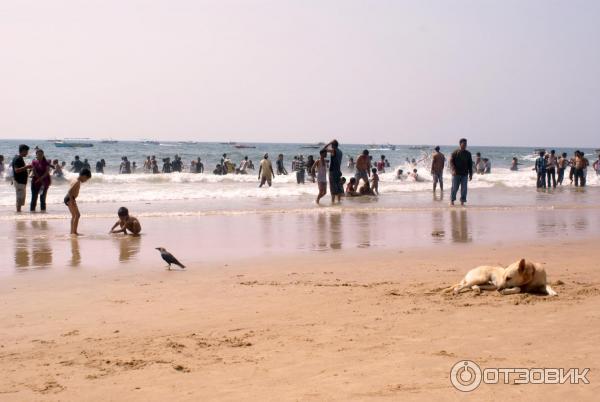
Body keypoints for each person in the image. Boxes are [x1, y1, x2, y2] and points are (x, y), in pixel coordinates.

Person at [64, 168, 91, 235]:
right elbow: (70, 191)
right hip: (70, 198)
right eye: (86, 179)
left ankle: (72, 231)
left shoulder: (74, 179)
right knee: (77, 215)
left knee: (74, 216)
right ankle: (74, 232)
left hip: (68, 198)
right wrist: (72, 201)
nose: (85, 181)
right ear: (84, 176)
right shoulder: (77, 181)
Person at [449, 138, 473, 206]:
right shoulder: (455, 152)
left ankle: (462, 202)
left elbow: (470, 164)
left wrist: (471, 174)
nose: (465, 145)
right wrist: (453, 170)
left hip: (465, 174)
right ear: (460, 144)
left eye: (466, 144)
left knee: (464, 189)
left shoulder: (468, 154)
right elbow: (451, 161)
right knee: (454, 188)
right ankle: (452, 201)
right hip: (456, 173)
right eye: (464, 144)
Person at [322, 140, 343, 204]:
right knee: (338, 186)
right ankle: (339, 201)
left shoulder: (333, 150)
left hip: (333, 171)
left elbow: (324, 149)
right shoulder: (340, 152)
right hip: (338, 171)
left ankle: (333, 202)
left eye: (331, 145)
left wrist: (329, 142)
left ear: (333, 145)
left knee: (332, 187)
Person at [11, 144, 32, 212]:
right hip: (19, 182)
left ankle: (19, 212)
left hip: (19, 181)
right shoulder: (18, 159)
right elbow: (16, 170)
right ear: (23, 151)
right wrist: (27, 167)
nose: (27, 153)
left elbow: (15, 170)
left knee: (20, 198)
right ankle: (18, 212)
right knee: (19, 198)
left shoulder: (17, 158)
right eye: (26, 151)